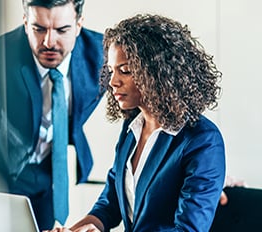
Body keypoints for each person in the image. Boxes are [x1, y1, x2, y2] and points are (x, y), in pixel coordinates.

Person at [50, 13, 226, 232]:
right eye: (111, 71)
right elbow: (109, 204)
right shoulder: (132, 127)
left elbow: (188, 229)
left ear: (157, 73)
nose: (113, 82)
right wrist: (76, 230)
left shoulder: (203, 141)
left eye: (125, 71)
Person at [0, 0, 103, 230]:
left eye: (62, 30)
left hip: (52, 173)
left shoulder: (102, 56)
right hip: (3, 171)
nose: (48, 42)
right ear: (25, 22)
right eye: (38, 28)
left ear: (79, 25)